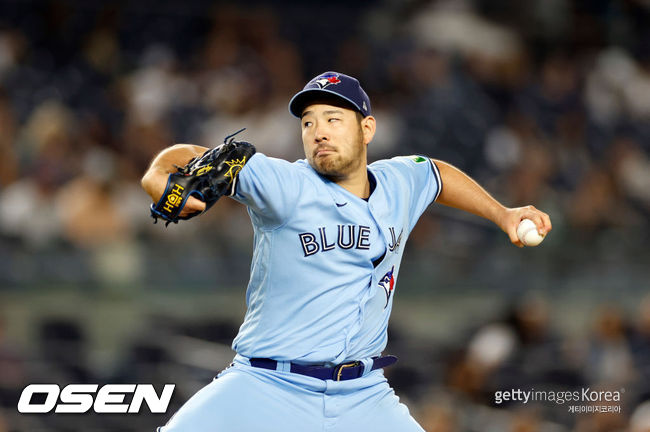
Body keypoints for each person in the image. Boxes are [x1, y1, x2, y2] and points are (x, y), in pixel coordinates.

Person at [141, 71, 552, 431]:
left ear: (367, 129)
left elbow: (437, 174)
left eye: (334, 119)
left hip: (364, 394)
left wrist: (503, 213)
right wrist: (159, 173)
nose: (319, 131)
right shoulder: (285, 186)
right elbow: (200, 156)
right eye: (308, 122)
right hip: (267, 386)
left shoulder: (399, 181)